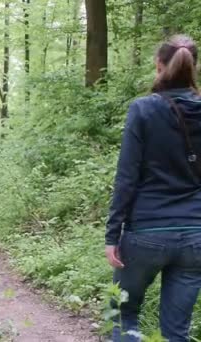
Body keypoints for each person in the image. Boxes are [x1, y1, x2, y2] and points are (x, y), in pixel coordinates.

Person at [106, 35, 201, 342]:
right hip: (194, 237)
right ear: (193, 67)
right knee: (176, 332)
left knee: (124, 315)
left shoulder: (143, 110)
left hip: (146, 232)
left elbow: (127, 177)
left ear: (159, 66)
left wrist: (112, 234)